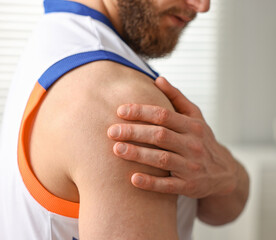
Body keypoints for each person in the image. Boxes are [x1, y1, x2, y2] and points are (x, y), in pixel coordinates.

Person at [0, 0, 249, 239]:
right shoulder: (123, 101)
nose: (203, 6)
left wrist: (224, 171)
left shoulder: (56, 35)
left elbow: (225, 207)